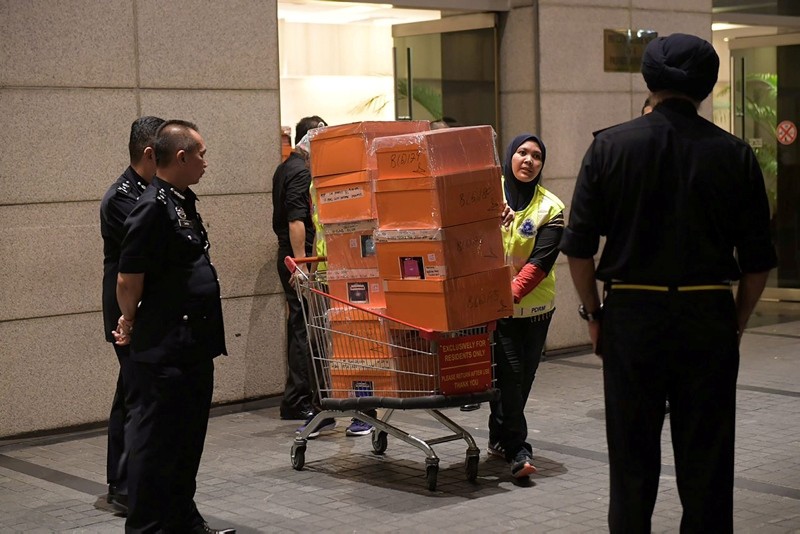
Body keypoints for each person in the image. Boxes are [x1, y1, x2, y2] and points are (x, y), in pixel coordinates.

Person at [559, 33, 777, 532]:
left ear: (648, 80)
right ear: (707, 85)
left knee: (632, 463)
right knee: (708, 462)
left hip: (632, 319)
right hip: (708, 318)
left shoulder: (609, 146)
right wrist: (735, 321)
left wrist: (594, 316)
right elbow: (758, 261)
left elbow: (577, 250)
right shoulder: (736, 154)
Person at [115, 120, 235, 534]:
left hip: (193, 346)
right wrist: (128, 319)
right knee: (155, 446)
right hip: (164, 348)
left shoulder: (183, 202)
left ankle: (184, 521)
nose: (206, 161)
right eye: (201, 153)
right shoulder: (150, 207)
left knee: (187, 443)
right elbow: (128, 278)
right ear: (181, 157)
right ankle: (148, 528)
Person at [488, 133, 565, 479]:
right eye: (522, 153)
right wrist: (489, 222)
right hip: (499, 311)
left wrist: (510, 292)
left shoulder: (552, 207)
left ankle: (498, 435)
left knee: (523, 378)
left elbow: (541, 261)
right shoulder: (488, 193)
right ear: (510, 156)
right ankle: (519, 449)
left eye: (536, 156)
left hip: (535, 311)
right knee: (509, 377)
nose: (528, 160)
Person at [99, 115, 165, 514]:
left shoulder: (154, 191)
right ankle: (124, 485)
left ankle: (126, 479)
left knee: (131, 392)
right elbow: (149, 255)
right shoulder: (122, 197)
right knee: (137, 396)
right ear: (148, 152)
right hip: (129, 308)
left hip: (147, 308)